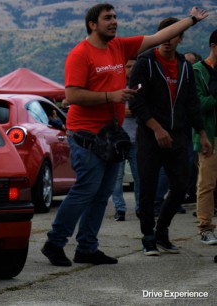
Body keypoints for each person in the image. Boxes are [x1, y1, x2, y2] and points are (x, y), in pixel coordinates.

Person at [41, 3, 208, 267]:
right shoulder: (80, 54)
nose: (114, 21)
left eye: (116, 17)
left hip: (112, 135)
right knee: (85, 190)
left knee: (102, 193)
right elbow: (71, 96)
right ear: (92, 24)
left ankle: (87, 247)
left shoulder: (119, 47)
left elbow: (159, 37)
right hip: (86, 135)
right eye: (108, 18)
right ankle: (54, 242)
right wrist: (111, 96)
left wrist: (192, 20)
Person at [129, 17, 212, 256]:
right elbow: (137, 100)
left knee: (180, 186)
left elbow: (192, 103)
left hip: (179, 135)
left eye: (172, 35)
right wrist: (156, 128)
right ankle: (147, 237)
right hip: (150, 136)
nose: (167, 39)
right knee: (147, 188)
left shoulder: (185, 65)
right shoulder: (145, 62)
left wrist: (203, 134)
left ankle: (162, 231)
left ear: (180, 37)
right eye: (163, 35)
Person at [192, 29, 217, 245]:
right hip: (208, 134)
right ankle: (205, 227)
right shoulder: (197, 71)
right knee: (207, 183)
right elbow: (198, 105)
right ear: (213, 47)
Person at [112, 59, 139, 221]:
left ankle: (140, 208)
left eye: (133, 67)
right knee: (117, 177)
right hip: (119, 139)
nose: (130, 70)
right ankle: (119, 209)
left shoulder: (141, 87)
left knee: (139, 176)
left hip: (137, 138)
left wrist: (134, 110)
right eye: (127, 67)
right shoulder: (115, 87)